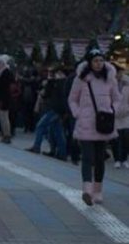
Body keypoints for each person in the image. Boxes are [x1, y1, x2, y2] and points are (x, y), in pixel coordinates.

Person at [68, 50, 121, 205]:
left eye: (101, 60)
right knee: (87, 157)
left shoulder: (110, 78)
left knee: (99, 159)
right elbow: (72, 99)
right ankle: (87, 190)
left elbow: (117, 98)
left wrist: (112, 110)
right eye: (95, 61)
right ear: (89, 62)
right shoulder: (81, 79)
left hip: (104, 124)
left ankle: (98, 190)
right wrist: (77, 113)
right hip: (85, 123)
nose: (98, 64)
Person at [27, 66, 69, 159]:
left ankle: (37, 146)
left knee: (41, 126)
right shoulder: (58, 82)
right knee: (57, 130)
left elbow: (52, 95)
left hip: (56, 109)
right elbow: (47, 94)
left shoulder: (62, 83)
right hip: (56, 109)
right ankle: (61, 153)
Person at [0, 57, 17, 144]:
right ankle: (4, 134)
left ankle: (7, 135)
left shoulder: (6, 73)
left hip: (3, 98)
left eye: (0, 63)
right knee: (1, 117)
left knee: (4, 117)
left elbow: (8, 87)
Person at [115, 70, 129, 169]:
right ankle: (117, 159)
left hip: (126, 114)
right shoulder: (111, 84)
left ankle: (124, 159)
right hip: (114, 115)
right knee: (116, 139)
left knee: (126, 138)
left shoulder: (127, 84)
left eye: (120, 73)